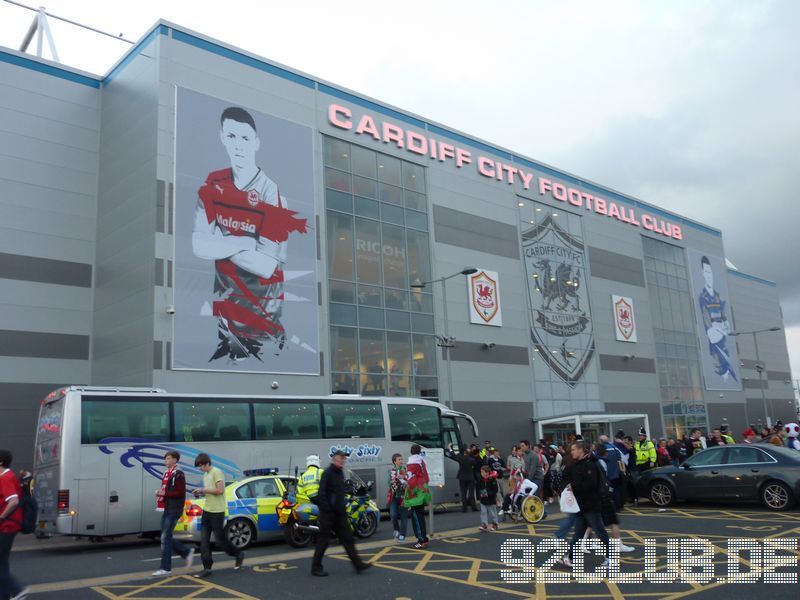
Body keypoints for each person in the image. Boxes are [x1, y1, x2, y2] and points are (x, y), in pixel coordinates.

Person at [192, 106, 308, 362]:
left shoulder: (272, 195)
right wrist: (244, 241)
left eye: (245, 138)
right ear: (222, 137)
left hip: (262, 330)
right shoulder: (213, 185)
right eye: (231, 136)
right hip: (225, 325)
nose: (238, 145)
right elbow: (199, 245)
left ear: (256, 143)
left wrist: (220, 242)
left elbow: (266, 265)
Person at [311, 451, 371, 576]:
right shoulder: (327, 473)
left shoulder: (340, 473)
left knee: (348, 539)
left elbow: (340, 492)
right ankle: (316, 567)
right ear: (334, 460)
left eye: (344, 459)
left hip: (340, 513)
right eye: (340, 459)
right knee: (323, 540)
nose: (343, 461)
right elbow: (321, 493)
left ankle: (358, 564)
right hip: (328, 514)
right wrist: (327, 509)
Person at [192, 453, 244, 578]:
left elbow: (220, 490)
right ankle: (207, 568)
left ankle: (238, 554)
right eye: (199, 467)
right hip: (207, 511)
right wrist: (200, 493)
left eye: (201, 466)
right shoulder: (205, 475)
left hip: (217, 512)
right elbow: (210, 492)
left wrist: (203, 490)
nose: (200, 468)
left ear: (207, 463)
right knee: (204, 541)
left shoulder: (217, 472)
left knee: (220, 540)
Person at [561, 441, 611, 568]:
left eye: (573, 450)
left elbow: (591, 484)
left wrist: (574, 486)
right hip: (581, 505)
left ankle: (611, 558)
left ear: (580, 450)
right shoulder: (578, 464)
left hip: (591, 505)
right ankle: (570, 557)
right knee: (578, 533)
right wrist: (570, 485)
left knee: (600, 532)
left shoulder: (589, 464)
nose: (571, 452)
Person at [152, 451, 195, 577]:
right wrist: (162, 493)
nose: (166, 460)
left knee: (165, 537)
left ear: (175, 460)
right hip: (167, 508)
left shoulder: (178, 474)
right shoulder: (167, 474)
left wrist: (164, 494)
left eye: (168, 458)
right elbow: (168, 491)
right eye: (165, 458)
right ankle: (186, 552)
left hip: (174, 509)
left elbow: (180, 493)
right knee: (165, 536)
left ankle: (165, 568)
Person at [698, 255, 738, 382]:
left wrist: (720, 328)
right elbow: (711, 333)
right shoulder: (702, 297)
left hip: (726, 348)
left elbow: (727, 324)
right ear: (702, 273)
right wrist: (720, 328)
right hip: (716, 354)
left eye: (710, 272)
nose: (709, 275)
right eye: (706, 272)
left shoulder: (718, 296)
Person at [0, 450, 26, 600]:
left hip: (7, 526)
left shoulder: (6, 477)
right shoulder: (5, 477)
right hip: (8, 525)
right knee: (2, 561)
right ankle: (4, 595)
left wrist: (1, 517)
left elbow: (13, 500)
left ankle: (17, 591)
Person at [404, 444, 432, 549]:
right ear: (420, 452)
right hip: (423, 489)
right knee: (420, 516)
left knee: (416, 516)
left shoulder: (412, 463)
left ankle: (422, 540)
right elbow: (426, 477)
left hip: (415, 492)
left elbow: (409, 479)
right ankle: (423, 538)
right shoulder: (421, 462)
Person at [445, 444, 479, 512]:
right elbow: (476, 463)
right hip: (470, 477)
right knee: (471, 493)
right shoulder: (471, 458)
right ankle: (473, 507)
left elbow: (453, 455)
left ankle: (464, 508)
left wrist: (450, 448)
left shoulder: (460, 457)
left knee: (463, 493)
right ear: (466, 450)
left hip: (462, 476)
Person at [599, 435, 624, 511]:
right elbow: (619, 458)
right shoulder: (614, 447)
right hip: (617, 473)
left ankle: (611, 507)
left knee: (609, 491)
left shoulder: (602, 448)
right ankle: (618, 507)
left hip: (608, 474)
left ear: (601, 441)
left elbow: (599, 458)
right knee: (617, 490)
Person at [387, 453, 408, 541]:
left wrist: (403, 478)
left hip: (403, 496)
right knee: (393, 515)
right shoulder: (391, 471)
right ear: (394, 461)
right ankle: (396, 529)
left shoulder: (405, 470)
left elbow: (409, 481)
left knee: (404, 516)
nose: (401, 461)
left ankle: (402, 534)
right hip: (394, 496)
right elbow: (389, 483)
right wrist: (396, 480)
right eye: (399, 459)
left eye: (402, 459)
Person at [477, 465, 500, 531]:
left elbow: (495, 489)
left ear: (487, 472)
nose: (481, 473)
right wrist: (481, 493)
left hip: (491, 499)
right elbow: (479, 487)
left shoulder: (492, 479)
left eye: (483, 472)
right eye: (481, 472)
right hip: (483, 498)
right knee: (483, 512)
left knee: (492, 512)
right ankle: (484, 524)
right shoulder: (481, 479)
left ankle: (495, 524)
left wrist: (489, 494)